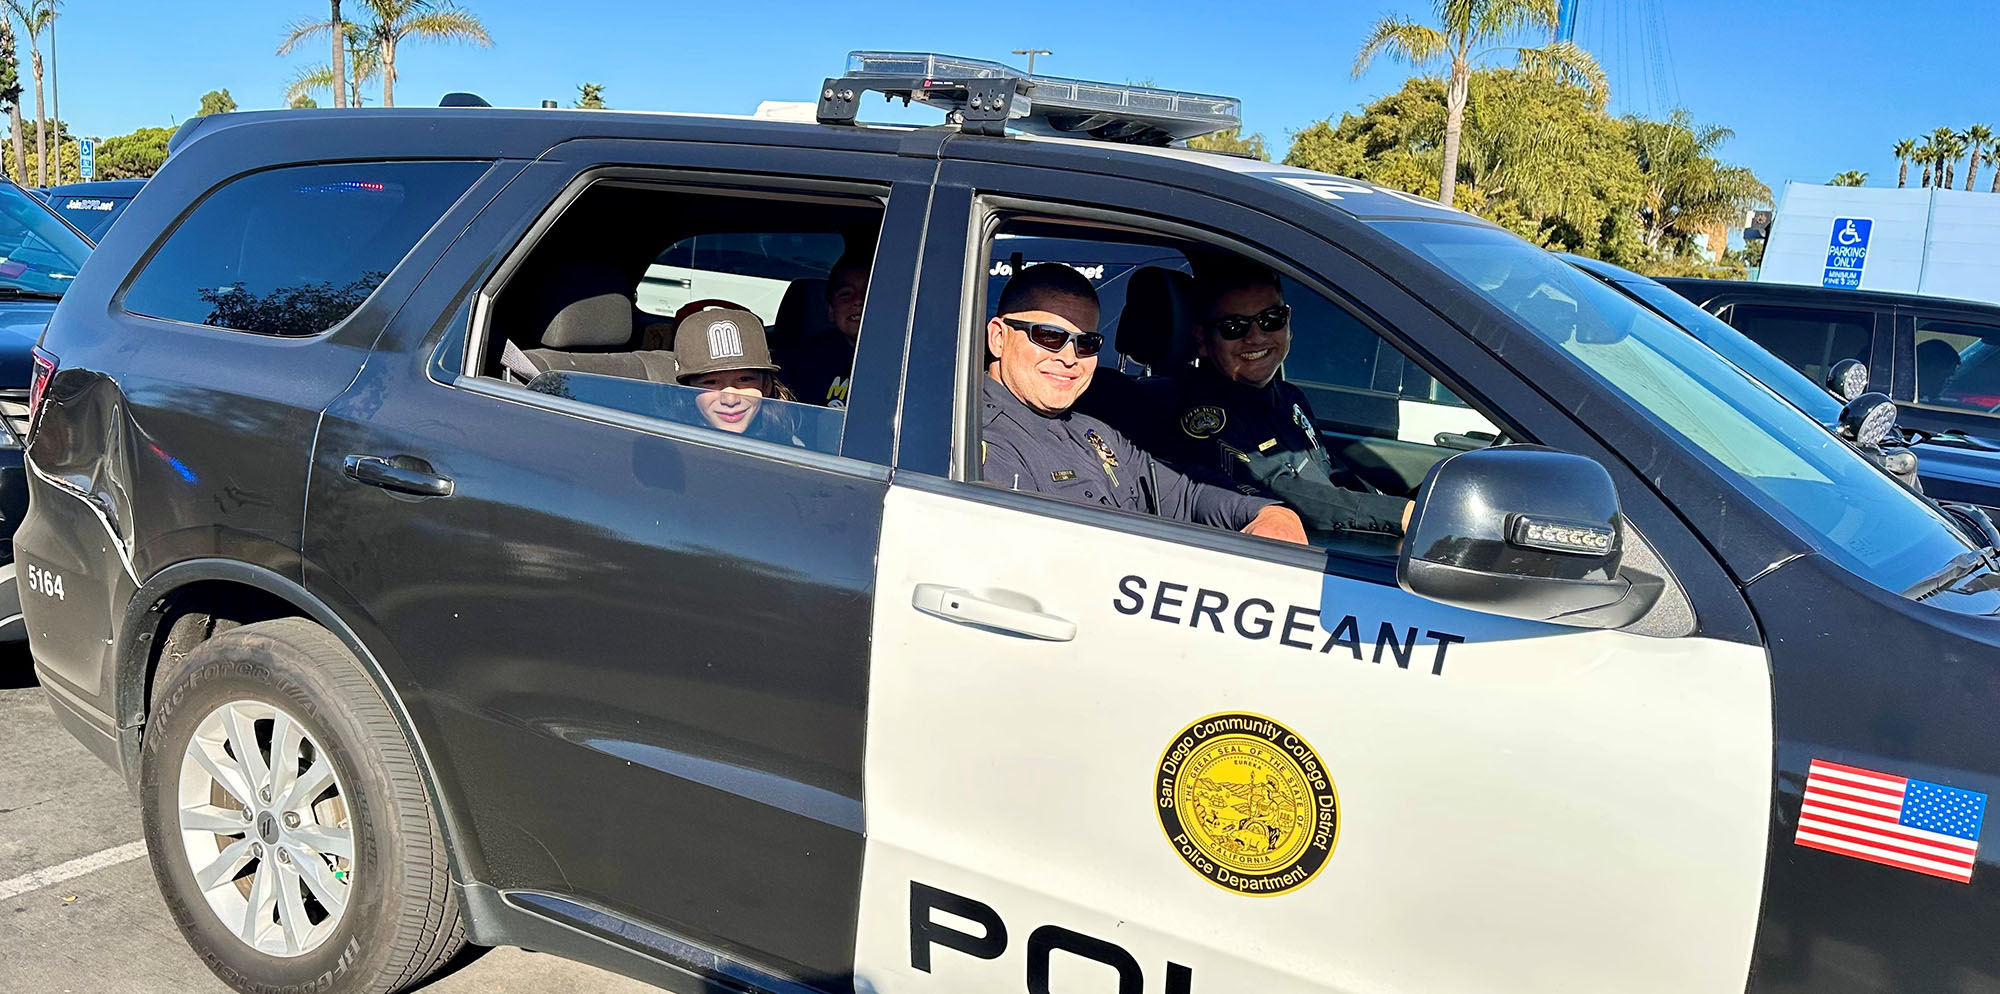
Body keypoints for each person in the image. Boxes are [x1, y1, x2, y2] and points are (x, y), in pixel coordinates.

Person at [981, 263, 1307, 544]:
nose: (1069, 358)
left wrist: (1270, 514)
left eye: (1086, 343)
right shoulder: (979, 439)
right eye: (1049, 337)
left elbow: (1184, 493)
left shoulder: (1090, 430)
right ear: (998, 337)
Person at [1164, 260, 1413, 536]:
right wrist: (1397, 514)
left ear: (1288, 322)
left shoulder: (1290, 397)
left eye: (1271, 319)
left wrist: (1397, 504)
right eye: (1234, 327)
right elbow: (1277, 487)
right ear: (1202, 339)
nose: (1256, 337)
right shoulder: (1204, 418)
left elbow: (1329, 473)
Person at [671, 308, 802, 445]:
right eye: (711, 382)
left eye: (745, 379)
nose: (730, 399)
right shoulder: (670, 450)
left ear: (766, 385)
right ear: (687, 392)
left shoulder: (788, 447)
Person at [785, 249, 869, 408]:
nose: (858, 300)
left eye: (869, 293)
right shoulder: (813, 359)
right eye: (846, 294)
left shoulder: (903, 358)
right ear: (831, 311)